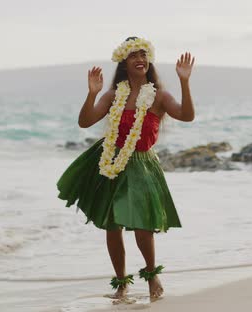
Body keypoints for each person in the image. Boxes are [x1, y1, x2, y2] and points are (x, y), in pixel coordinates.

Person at [56, 36, 195, 301]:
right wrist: (92, 93)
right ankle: (121, 283)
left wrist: (185, 82)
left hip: (141, 164)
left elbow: (187, 115)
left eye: (143, 54)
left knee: (142, 226)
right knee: (112, 225)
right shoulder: (112, 95)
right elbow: (85, 122)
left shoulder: (159, 95)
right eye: (133, 55)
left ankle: (152, 274)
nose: (140, 59)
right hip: (111, 162)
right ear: (124, 62)